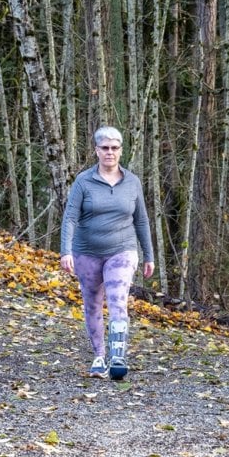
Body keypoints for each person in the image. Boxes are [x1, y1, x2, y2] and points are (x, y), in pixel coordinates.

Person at [60, 126, 155, 380]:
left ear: (121, 150)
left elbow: (142, 221)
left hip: (122, 249)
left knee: (117, 301)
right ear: (96, 151)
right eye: (105, 148)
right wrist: (65, 251)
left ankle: (118, 356)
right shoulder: (83, 181)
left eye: (114, 148)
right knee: (92, 304)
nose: (110, 152)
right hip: (87, 251)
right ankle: (99, 356)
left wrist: (149, 255)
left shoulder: (132, 182)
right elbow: (70, 217)